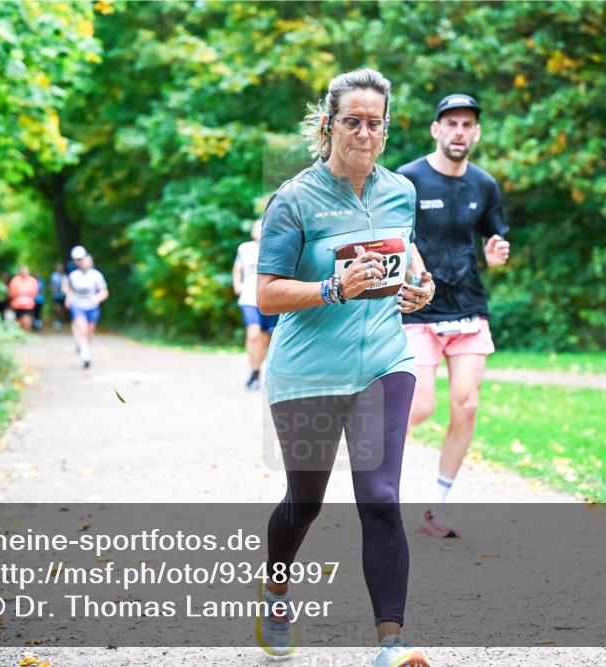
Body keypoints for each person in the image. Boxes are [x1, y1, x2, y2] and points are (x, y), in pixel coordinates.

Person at [256, 68, 435, 667]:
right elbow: (267, 294)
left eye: (373, 123)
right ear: (329, 125)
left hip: (384, 360)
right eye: (352, 121)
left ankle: (391, 645)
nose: (363, 132)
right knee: (305, 501)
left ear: (386, 129)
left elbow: (409, 254)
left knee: (380, 497)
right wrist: (333, 289)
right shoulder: (294, 199)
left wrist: (423, 285)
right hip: (307, 372)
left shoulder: (400, 191)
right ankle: (276, 588)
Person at [397, 93, 511, 539]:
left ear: (476, 132)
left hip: (468, 307)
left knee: (466, 405)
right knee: (419, 406)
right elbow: (392, 237)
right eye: (451, 124)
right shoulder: (408, 179)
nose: (459, 132)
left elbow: (494, 242)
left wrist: (496, 255)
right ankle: (379, 490)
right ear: (436, 129)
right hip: (417, 309)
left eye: (467, 125)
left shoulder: (485, 185)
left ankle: (435, 509)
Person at [232, 219, 277, 390]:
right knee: (253, 335)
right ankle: (253, 370)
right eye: (257, 228)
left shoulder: (275, 248)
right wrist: (237, 284)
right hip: (249, 299)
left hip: (267, 298)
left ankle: (256, 371)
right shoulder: (244, 248)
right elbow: (237, 268)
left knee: (264, 339)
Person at [64, 245, 108, 369]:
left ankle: (84, 349)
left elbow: (104, 292)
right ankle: (85, 355)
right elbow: (69, 289)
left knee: (89, 334)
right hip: (78, 306)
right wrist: (69, 298)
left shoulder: (96, 275)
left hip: (92, 308)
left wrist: (97, 298)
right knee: (82, 331)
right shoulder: (73, 275)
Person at [8, 265, 40, 332]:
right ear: (20, 272)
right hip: (17, 305)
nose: (24, 273)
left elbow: (35, 293)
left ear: (28, 272)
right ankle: (20, 334)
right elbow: (11, 293)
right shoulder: (15, 280)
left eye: (26, 271)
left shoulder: (32, 280)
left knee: (27, 321)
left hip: (28, 305)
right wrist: (18, 294)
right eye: (22, 271)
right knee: (18, 322)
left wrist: (27, 295)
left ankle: (27, 333)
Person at [50, 262, 67, 330]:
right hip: (56, 295)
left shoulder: (64, 275)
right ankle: (57, 321)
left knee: (62, 309)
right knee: (57, 308)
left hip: (63, 295)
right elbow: (51, 284)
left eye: (61, 267)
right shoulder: (53, 275)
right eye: (58, 267)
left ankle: (61, 321)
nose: (60, 268)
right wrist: (52, 292)